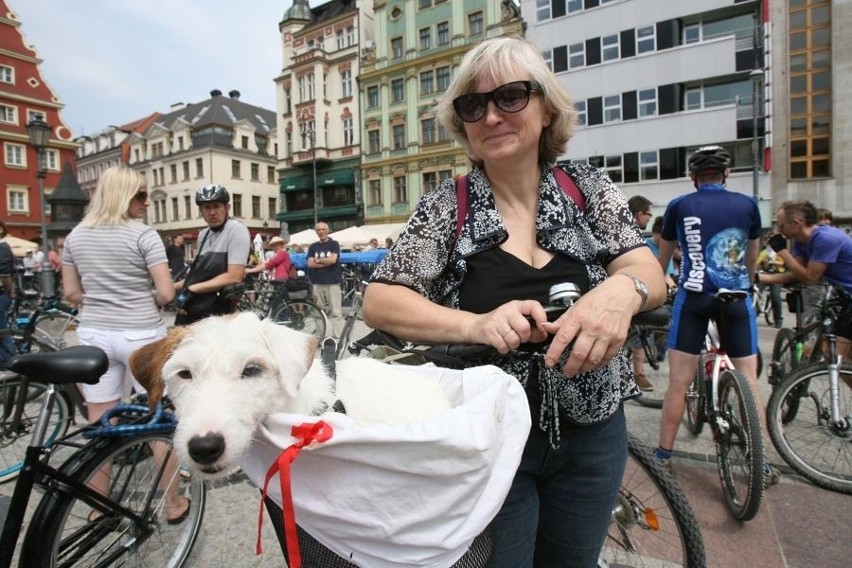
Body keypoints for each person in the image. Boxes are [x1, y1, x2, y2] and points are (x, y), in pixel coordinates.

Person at [362, 36, 666, 567]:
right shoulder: (447, 204)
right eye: (473, 105)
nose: (492, 116)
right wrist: (477, 324)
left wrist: (621, 291)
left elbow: (648, 272)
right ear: (462, 125)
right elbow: (381, 301)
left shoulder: (585, 187)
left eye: (511, 97)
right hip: (489, 440)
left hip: (593, 433)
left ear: (547, 107)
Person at [60, 165, 189, 523]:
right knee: (157, 419)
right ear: (125, 196)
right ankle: (175, 503)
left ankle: (97, 508)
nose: (146, 203)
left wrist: (102, 294)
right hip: (140, 336)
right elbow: (164, 293)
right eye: (142, 196)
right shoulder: (144, 235)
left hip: (95, 335)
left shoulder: (76, 236)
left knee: (98, 420)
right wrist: (143, 293)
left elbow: (71, 293)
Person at [654, 145, 779, 485]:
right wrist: (747, 283)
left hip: (693, 296)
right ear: (726, 174)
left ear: (693, 177)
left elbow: (662, 261)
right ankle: (760, 461)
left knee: (678, 382)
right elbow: (752, 257)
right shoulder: (748, 205)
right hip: (736, 298)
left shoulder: (679, 206)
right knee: (750, 380)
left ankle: (663, 454)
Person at [759, 200, 852, 360]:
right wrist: (759, 278)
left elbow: (809, 277)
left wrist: (782, 251)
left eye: (780, 225)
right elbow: (797, 272)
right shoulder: (802, 241)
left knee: (839, 356)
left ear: (796, 223)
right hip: (847, 301)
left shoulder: (826, 239)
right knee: (834, 357)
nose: (778, 230)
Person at [173, 184, 251, 326]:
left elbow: (234, 276)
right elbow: (198, 275)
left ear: (227, 208)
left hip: (218, 311)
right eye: (207, 208)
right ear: (201, 211)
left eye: (216, 206)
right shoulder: (203, 234)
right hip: (197, 307)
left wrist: (192, 289)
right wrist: (173, 288)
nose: (212, 212)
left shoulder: (236, 229)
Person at [631, 215, 677, 388]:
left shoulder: (667, 248)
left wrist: (674, 289)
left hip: (660, 292)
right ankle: (638, 374)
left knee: (672, 319)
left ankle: (658, 350)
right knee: (640, 333)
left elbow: (667, 274)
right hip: (642, 289)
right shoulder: (644, 246)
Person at [307, 221, 344, 338]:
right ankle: (320, 335)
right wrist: (326, 262)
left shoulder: (334, 244)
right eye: (318, 230)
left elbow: (333, 260)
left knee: (336, 312)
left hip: (332, 282)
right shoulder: (313, 247)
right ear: (316, 232)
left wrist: (317, 260)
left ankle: (336, 337)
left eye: (323, 229)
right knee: (317, 311)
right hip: (317, 283)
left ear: (327, 231)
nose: (321, 232)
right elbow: (310, 264)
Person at [245, 235, 291, 305]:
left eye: (276, 245)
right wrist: (255, 266)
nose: (274, 247)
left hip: (280, 279)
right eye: (273, 245)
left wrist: (250, 271)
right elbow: (265, 263)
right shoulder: (277, 254)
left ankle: (283, 315)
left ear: (281, 244)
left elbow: (269, 264)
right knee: (276, 301)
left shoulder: (283, 253)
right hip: (277, 280)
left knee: (280, 302)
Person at [756, 236, 785, 328]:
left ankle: (778, 319)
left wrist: (774, 262)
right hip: (765, 274)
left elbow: (784, 263)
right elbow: (757, 263)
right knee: (755, 291)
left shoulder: (781, 252)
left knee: (775, 296)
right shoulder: (764, 252)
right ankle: (754, 313)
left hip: (776, 275)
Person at [0, 221, 18, 367]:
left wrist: (10, 290)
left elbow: (5, 274)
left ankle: (12, 363)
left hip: (1, 294)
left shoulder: (2, 247)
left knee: (2, 331)